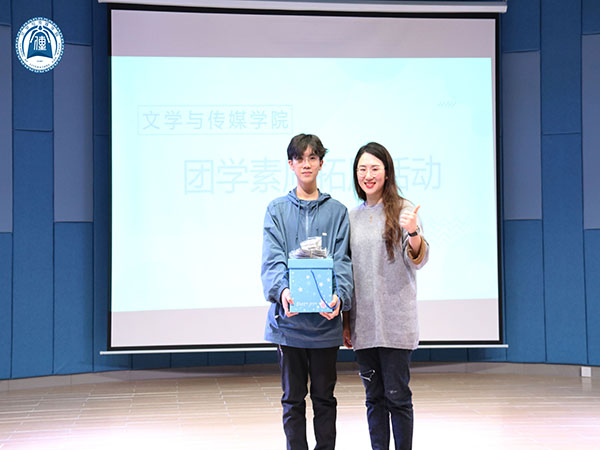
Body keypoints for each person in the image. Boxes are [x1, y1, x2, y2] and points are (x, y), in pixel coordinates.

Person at [261, 133, 353, 450]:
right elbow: (272, 259)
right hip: (289, 325)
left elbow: (343, 261)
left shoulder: (337, 212)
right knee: (292, 399)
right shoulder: (276, 210)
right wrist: (283, 291)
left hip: (325, 325)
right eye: (299, 158)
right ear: (291, 164)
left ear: (321, 163)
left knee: (325, 398)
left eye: (312, 157)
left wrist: (340, 296)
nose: (306, 164)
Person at [343, 142, 429, 450]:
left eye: (374, 168)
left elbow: (417, 259)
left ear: (387, 172)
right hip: (363, 324)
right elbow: (346, 272)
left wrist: (414, 233)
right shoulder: (351, 217)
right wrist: (346, 322)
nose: (368, 175)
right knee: (373, 398)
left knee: (398, 397)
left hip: (396, 323)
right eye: (362, 169)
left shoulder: (405, 211)